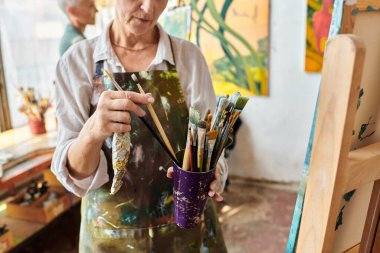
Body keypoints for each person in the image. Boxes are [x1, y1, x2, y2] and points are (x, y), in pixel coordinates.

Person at [52, 0, 228, 252]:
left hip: (187, 233)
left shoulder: (188, 58)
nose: (149, 9)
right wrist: (93, 131)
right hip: (110, 236)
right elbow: (76, 176)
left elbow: (210, 144)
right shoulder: (78, 62)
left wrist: (213, 171)